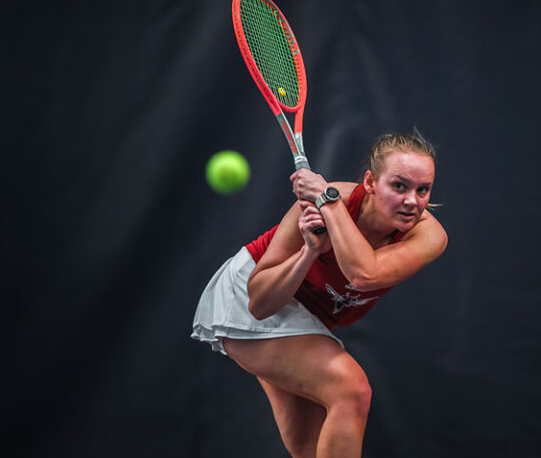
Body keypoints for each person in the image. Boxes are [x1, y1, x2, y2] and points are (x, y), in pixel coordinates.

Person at [192, 132, 448, 458]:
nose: (412, 201)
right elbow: (259, 303)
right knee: (350, 391)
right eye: (399, 186)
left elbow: (364, 273)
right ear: (370, 182)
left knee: (309, 449)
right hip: (247, 297)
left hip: (309, 320)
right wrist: (308, 253)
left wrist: (326, 203)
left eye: (422, 189)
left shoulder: (428, 236)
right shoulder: (333, 200)